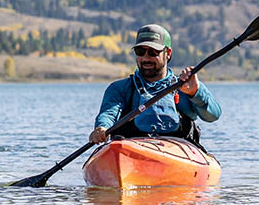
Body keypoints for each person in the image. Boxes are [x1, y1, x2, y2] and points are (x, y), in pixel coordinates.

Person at [89, 24, 221, 146]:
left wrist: (195, 93)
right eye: (140, 51)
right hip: (130, 152)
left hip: (178, 153)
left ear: (168, 53)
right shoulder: (120, 89)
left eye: (153, 52)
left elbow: (213, 115)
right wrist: (102, 128)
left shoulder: (187, 85)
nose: (146, 58)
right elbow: (109, 114)